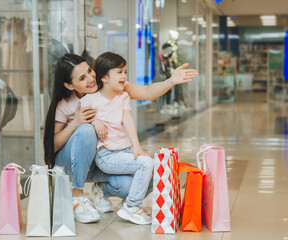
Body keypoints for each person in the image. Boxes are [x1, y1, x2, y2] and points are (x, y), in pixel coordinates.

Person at [44, 53, 198, 224]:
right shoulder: (66, 104)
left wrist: (171, 81)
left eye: (89, 70)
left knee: (131, 185)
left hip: (102, 162)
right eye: (82, 78)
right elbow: (53, 146)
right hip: (73, 162)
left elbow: (147, 92)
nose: (90, 78)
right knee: (86, 130)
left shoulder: (112, 87)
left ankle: (101, 190)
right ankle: (77, 196)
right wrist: (76, 123)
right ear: (69, 85)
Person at [79, 52, 153, 225]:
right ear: (104, 77)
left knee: (156, 169)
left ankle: (125, 200)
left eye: (125, 71)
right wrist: (94, 121)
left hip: (125, 150)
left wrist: (137, 148)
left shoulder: (123, 96)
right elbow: (76, 120)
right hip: (107, 155)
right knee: (147, 164)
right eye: (119, 72)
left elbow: (127, 119)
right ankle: (132, 206)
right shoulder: (90, 100)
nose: (124, 76)